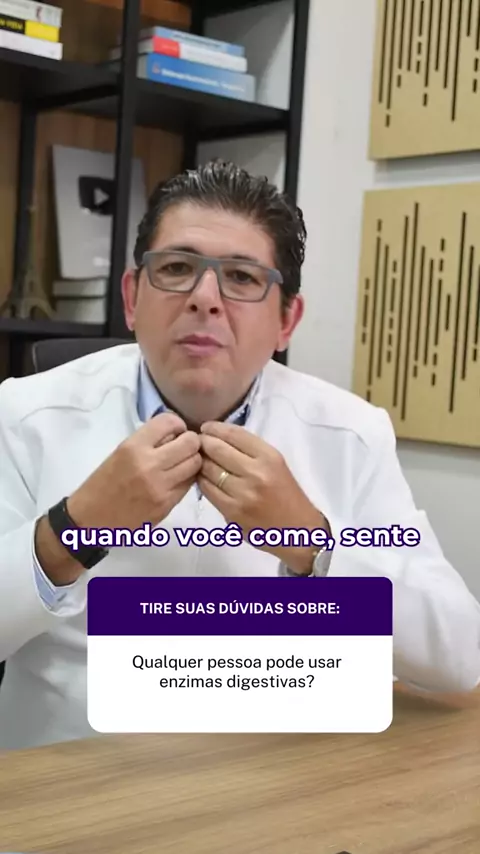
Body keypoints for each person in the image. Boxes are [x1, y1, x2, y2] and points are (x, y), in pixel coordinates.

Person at [0, 160, 479, 751]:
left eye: (243, 277)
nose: (205, 298)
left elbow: (459, 656)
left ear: (286, 322)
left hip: (276, 776)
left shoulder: (351, 433)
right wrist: (70, 532)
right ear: (131, 298)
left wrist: (315, 547)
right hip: (71, 772)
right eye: (177, 268)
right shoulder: (26, 414)